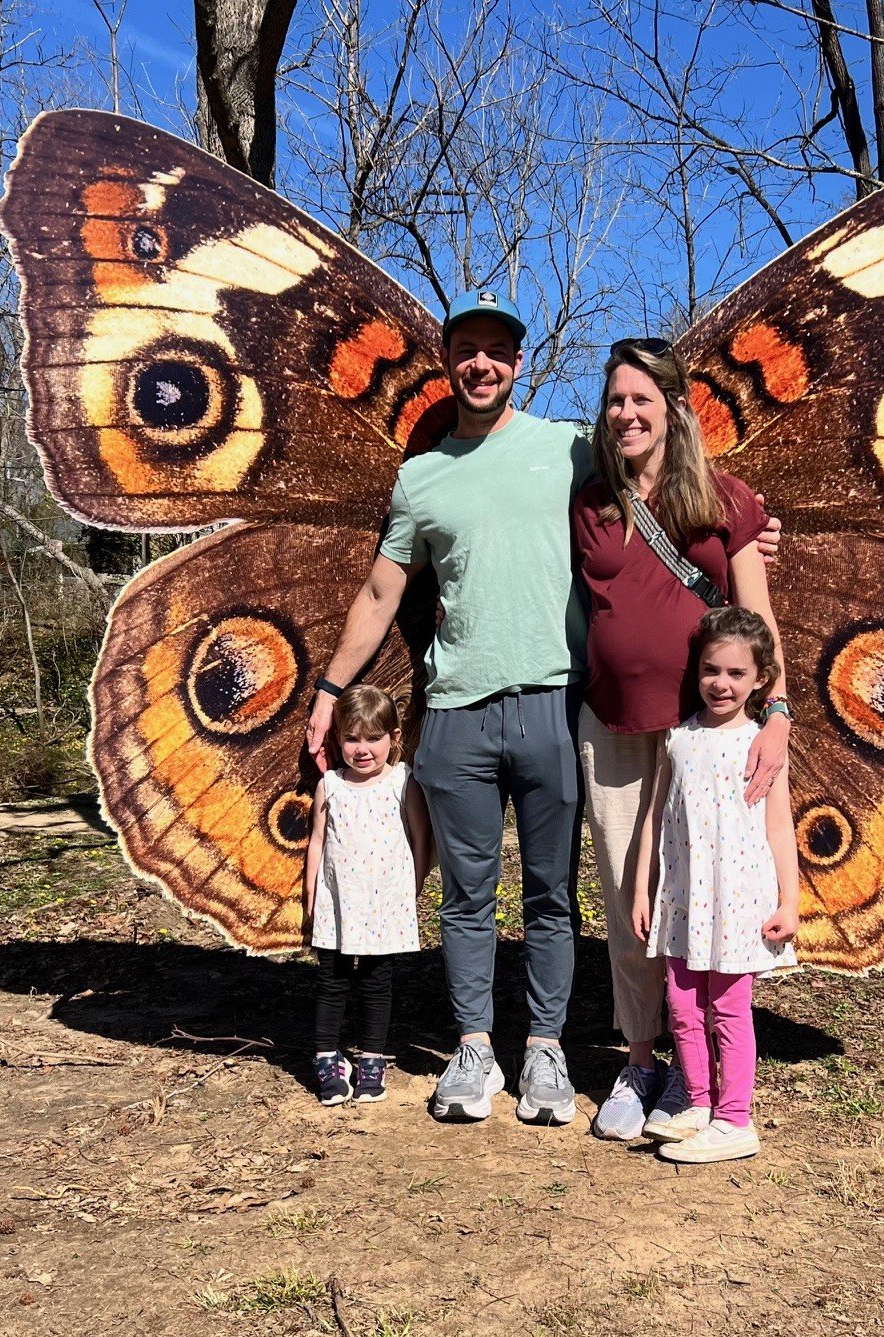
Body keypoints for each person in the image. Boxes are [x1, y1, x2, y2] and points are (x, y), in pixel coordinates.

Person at [305, 289, 592, 1126]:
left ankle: (544, 1049)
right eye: (465, 348)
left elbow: (663, 494)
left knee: (549, 893)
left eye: (495, 350)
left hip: (551, 701)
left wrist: (748, 531)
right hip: (456, 711)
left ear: (517, 362)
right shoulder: (419, 476)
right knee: (466, 895)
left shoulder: (570, 447)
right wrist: (327, 692)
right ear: (447, 361)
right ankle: (474, 1049)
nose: (480, 363)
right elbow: (380, 590)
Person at [572, 339, 792, 1142]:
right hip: (617, 730)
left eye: (641, 400)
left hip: (713, 734)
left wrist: (778, 714)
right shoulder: (589, 500)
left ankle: (705, 1080)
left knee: (712, 899)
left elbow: (757, 611)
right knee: (640, 908)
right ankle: (643, 1061)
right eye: (614, 401)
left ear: (671, 408)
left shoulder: (724, 499)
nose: (625, 414)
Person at [631, 606, 800, 1163]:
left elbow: (779, 826)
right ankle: (698, 1105)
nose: (720, 684)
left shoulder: (761, 744)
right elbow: (655, 817)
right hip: (682, 897)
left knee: (729, 1008)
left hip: (737, 899)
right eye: (710, 670)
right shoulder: (678, 739)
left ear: (760, 681)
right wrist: (641, 889)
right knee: (680, 1004)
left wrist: (790, 900)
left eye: (735, 674)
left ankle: (735, 1119)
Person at [304, 685, 431, 1106]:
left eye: (373, 738)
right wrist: (310, 894)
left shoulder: (401, 781)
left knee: (378, 982)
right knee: (331, 980)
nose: (362, 749)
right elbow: (318, 843)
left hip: (384, 904)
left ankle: (371, 1059)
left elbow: (419, 838)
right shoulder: (331, 785)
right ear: (337, 740)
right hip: (337, 902)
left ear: (394, 738)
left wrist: (411, 889)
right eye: (351, 738)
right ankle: (327, 1057)